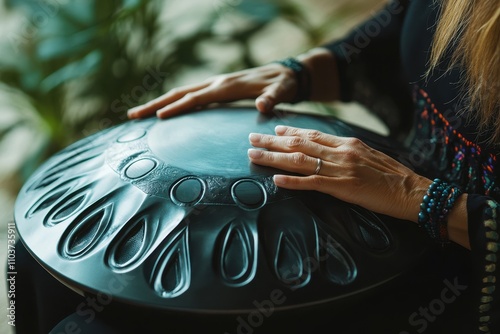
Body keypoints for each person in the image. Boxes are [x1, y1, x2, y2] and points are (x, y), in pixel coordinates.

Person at [13, 0, 499, 333]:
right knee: (44, 262)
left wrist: (423, 198)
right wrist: (305, 71)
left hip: (465, 273)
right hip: (396, 197)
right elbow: (409, 24)